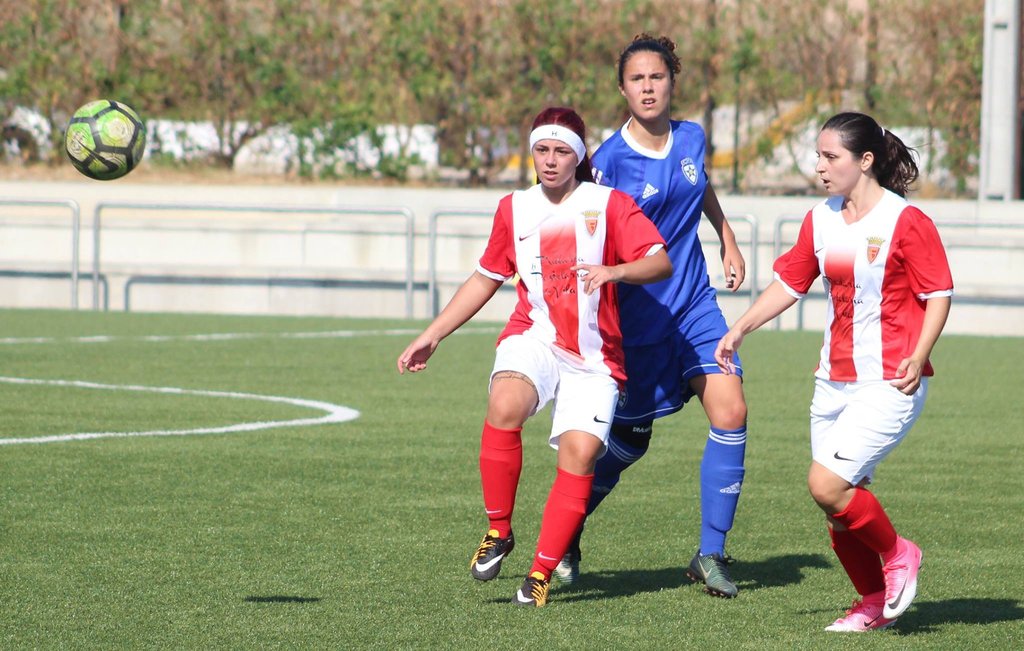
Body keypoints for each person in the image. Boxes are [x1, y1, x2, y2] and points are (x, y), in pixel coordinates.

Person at [397, 106, 672, 607]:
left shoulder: (608, 204)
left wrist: (615, 272)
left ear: (578, 156)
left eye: (561, 151)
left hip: (595, 356)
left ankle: (541, 573)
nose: (549, 160)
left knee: (580, 455)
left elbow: (660, 261)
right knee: (505, 404)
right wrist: (434, 334)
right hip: (536, 335)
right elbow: (486, 276)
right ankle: (498, 531)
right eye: (541, 149)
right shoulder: (515, 208)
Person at [714, 111, 953, 631]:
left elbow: (938, 293)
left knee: (826, 484)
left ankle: (899, 554)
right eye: (818, 156)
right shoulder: (820, 219)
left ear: (865, 161)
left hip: (890, 379)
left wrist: (919, 353)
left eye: (830, 157)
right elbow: (790, 283)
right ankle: (872, 602)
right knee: (839, 503)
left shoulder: (904, 220)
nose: (819, 167)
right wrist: (740, 328)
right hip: (832, 381)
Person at [555, 33, 749, 598]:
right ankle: (567, 527)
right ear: (622, 89)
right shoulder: (606, 163)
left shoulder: (692, 137)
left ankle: (710, 553)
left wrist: (727, 237)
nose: (647, 87)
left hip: (694, 306)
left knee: (732, 410)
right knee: (628, 443)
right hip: (635, 322)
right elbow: (579, 229)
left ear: (671, 82)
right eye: (637, 79)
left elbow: (699, 186)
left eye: (656, 77)